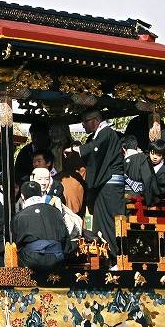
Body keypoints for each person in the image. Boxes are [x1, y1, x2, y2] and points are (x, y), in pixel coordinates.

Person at [65, 107, 125, 265]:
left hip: (111, 185)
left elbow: (93, 150)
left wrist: (77, 149)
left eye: (86, 121)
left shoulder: (107, 133)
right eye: (82, 121)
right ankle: (106, 257)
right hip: (103, 185)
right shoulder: (96, 136)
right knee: (100, 221)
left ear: (97, 120)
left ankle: (118, 257)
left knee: (112, 221)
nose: (83, 124)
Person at [12, 181, 71, 272]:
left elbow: (16, 241)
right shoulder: (56, 211)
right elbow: (65, 238)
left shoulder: (20, 216)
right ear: (41, 194)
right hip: (56, 258)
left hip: (32, 259)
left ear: (22, 196)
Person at [121, 134, 157, 206]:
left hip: (123, 197)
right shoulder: (143, 158)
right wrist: (150, 199)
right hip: (138, 197)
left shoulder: (121, 162)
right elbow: (148, 178)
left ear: (123, 149)